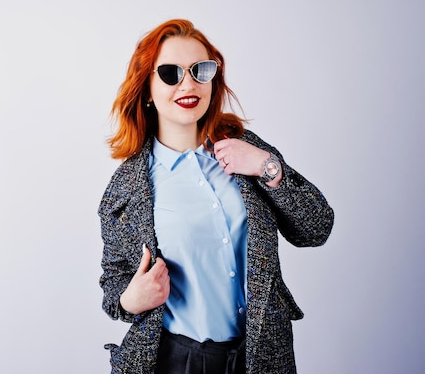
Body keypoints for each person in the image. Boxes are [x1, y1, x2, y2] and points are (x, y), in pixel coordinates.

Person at [98, 19, 334, 374]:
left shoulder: (245, 148)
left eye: (200, 70)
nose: (188, 84)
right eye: (170, 73)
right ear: (147, 88)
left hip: (262, 355)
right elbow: (113, 284)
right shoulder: (127, 189)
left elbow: (317, 228)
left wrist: (267, 166)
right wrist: (130, 300)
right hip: (177, 361)